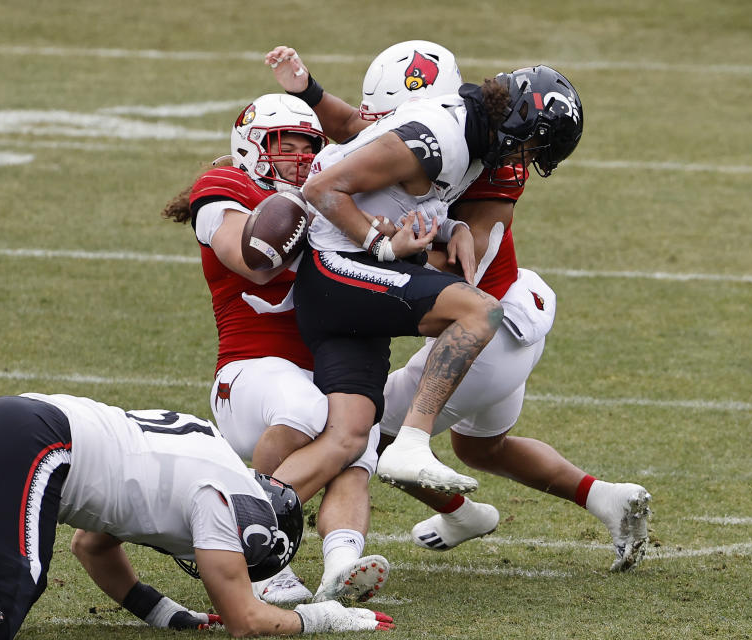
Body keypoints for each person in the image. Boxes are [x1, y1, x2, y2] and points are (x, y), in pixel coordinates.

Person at [267, 43, 652, 571]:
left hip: (490, 329)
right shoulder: (458, 132)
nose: (378, 124)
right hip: (511, 317)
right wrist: (309, 92)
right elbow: (361, 133)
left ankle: (269, 527)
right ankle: (606, 497)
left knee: (361, 437)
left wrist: (409, 240)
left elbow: (451, 268)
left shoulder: (476, 156)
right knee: (482, 450)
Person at [0, 395, 394, 639]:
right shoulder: (228, 503)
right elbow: (245, 621)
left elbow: (92, 545)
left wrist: (168, 615)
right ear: (257, 537)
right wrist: (321, 618)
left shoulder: (211, 451)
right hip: (28, 441)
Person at [162, 93, 389, 605]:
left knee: (360, 443)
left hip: (320, 367)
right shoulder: (225, 186)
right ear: (252, 145)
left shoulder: (327, 191)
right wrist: (313, 206)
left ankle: (342, 566)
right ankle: (254, 551)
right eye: (287, 146)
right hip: (246, 374)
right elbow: (250, 260)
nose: (302, 158)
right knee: (306, 410)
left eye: (311, 148)